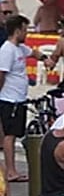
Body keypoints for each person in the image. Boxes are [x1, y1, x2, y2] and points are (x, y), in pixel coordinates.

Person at [0, 13, 30, 182]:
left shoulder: (20, 48)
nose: (27, 34)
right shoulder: (7, 50)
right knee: (9, 135)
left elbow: (33, 52)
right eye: (25, 30)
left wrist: (46, 59)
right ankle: (11, 171)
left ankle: (11, 170)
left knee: (14, 133)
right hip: (9, 99)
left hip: (19, 98)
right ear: (17, 31)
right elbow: (1, 74)